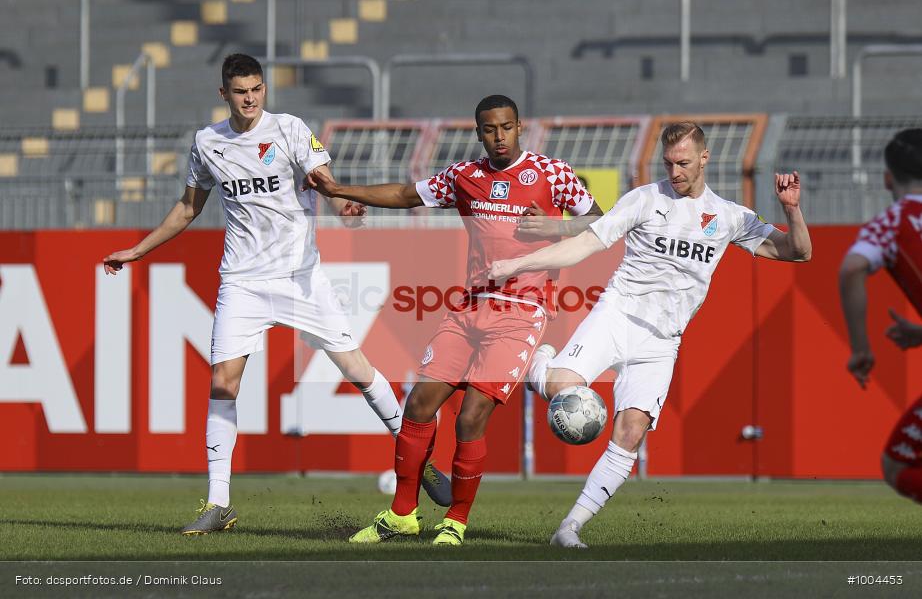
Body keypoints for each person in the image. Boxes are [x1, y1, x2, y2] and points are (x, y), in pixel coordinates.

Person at [102, 53, 450, 536]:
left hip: (299, 277)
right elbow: (187, 208)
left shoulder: (289, 129)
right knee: (223, 383)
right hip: (241, 281)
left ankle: (418, 457)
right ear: (223, 94)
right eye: (240, 91)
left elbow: (323, 180)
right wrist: (138, 250)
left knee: (357, 369)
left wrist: (343, 205)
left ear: (263, 88)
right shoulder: (207, 143)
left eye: (257, 89)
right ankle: (218, 502)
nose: (250, 99)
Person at [490, 122, 812, 548]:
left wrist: (792, 210)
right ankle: (541, 368)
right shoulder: (643, 199)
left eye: (683, 163)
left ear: (704, 158)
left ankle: (569, 528)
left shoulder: (730, 216)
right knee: (561, 389)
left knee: (631, 431)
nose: (675, 172)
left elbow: (798, 252)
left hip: (662, 341)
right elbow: (584, 244)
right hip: (618, 315)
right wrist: (516, 266)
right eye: (668, 163)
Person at [306, 94, 604, 545]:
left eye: (506, 127)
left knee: (470, 417)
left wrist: (555, 227)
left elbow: (600, 224)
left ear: (520, 127)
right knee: (419, 405)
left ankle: (456, 522)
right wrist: (339, 190)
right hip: (469, 306)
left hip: (522, 311)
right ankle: (401, 515)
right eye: (490, 129)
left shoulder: (553, 173)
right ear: (478, 132)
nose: (499, 136)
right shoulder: (465, 177)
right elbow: (406, 195)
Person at [839, 128, 922, 501]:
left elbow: (852, 268)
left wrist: (861, 349)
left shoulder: (892, 223)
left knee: (899, 465)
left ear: (888, 178)